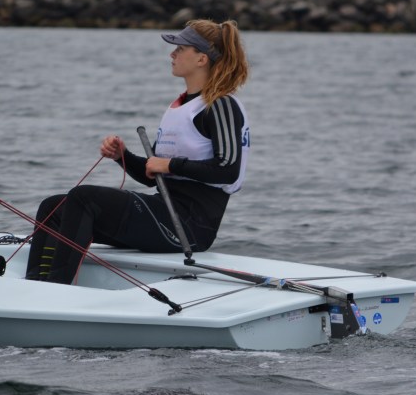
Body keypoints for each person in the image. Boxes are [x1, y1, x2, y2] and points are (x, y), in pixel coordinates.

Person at [25, 19, 250, 284]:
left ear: (201, 59)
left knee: (84, 198)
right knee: (53, 208)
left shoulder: (220, 105)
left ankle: (58, 287)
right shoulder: (182, 106)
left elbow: (227, 169)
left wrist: (169, 164)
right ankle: (36, 284)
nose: (172, 54)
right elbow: (151, 176)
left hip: (190, 228)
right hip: (165, 212)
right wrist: (122, 156)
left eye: (180, 49)